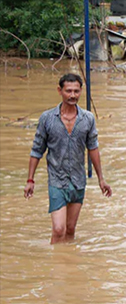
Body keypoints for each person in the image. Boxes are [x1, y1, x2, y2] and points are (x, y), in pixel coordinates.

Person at [23, 73, 112, 244]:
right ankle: (55, 268)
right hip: (56, 180)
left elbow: (93, 148)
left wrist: (101, 179)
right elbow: (37, 150)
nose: (72, 95)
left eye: (76, 91)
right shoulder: (47, 119)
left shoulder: (88, 119)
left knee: (70, 229)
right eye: (68, 91)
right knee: (58, 229)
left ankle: (67, 263)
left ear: (80, 92)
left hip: (78, 180)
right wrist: (30, 180)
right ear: (60, 91)